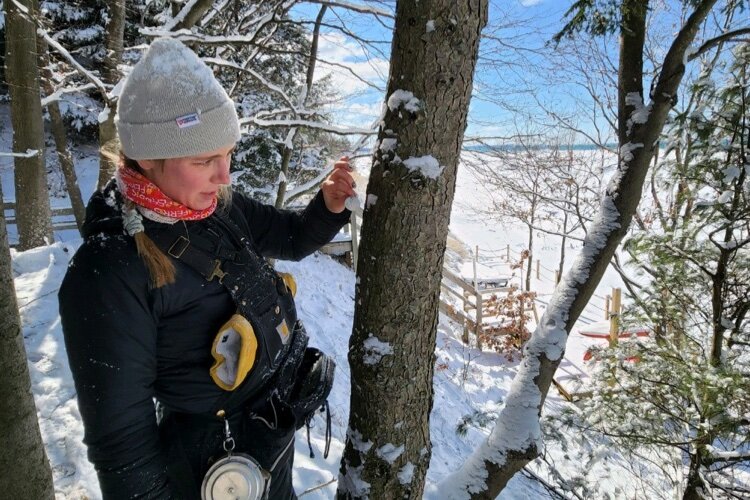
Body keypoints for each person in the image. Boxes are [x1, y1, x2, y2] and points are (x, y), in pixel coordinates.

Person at [58, 38, 355, 500]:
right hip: (214, 466)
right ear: (148, 159)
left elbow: (292, 238)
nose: (225, 177)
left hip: (264, 431)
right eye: (204, 161)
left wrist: (328, 207)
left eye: (228, 154)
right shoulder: (110, 272)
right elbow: (123, 450)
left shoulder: (215, 207)